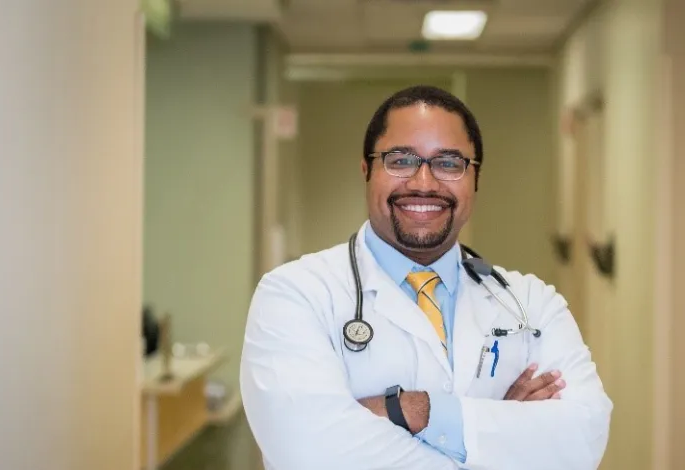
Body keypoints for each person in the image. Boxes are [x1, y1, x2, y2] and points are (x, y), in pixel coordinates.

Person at [239, 85, 612, 470]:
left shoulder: (532, 303)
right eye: (400, 161)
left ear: (475, 178)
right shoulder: (294, 294)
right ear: (366, 170)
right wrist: (500, 433)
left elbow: (583, 439)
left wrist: (419, 411)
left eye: (449, 164)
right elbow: (313, 455)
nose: (423, 183)